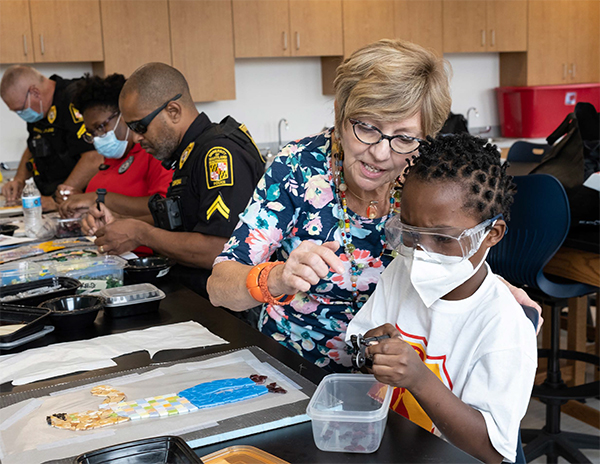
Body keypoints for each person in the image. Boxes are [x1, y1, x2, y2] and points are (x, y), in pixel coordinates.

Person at [208, 39, 541, 372]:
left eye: (405, 137)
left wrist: (493, 289)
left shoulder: (424, 175)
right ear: (341, 113)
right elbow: (219, 288)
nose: (381, 154)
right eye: (367, 127)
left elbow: (450, 248)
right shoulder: (296, 169)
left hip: (395, 376)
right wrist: (279, 277)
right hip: (294, 368)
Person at [346, 134, 537, 463]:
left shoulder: (504, 327)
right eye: (410, 233)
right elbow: (359, 345)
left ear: (490, 235)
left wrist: (419, 378)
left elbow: (492, 451)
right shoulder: (400, 275)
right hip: (396, 446)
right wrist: (369, 351)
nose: (421, 252)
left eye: (443, 239)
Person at [82, 63, 265, 298]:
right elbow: (186, 218)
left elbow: (220, 250)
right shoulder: (189, 152)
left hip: (228, 308)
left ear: (173, 111)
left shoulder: (218, 153)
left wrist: (141, 233)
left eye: (140, 126)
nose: (136, 138)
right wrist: (120, 223)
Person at [58, 73, 171, 221]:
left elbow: (166, 208)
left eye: (100, 127)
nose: (98, 137)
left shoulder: (155, 152)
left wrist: (98, 198)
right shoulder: (112, 157)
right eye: (91, 133)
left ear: (124, 115)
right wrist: (81, 204)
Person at [0, 65, 103, 211]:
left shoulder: (74, 98)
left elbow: (93, 157)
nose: (22, 115)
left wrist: (58, 198)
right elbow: (34, 145)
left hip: (82, 203)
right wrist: (19, 179)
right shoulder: (39, 110)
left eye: (20, 109)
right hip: (53, 199)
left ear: (35, 92)